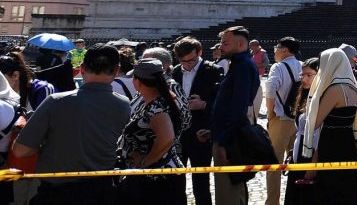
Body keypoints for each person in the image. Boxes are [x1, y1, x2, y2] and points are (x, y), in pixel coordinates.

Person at [11, 43, 130, 205]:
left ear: (82, 68)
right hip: (101, 191)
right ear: (116, 71)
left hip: (57, 193)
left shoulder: (57, 101)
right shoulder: (123, 104)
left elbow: (21, 150)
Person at [116, 59, 190, 202]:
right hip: (154, 178)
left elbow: (166, 138)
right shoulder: (156, 101)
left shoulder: (156, 107)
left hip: (156, 180)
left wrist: (145, 162)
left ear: (137, 82)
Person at [298, 49, 357, 204]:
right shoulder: (352, 87)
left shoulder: (335, 89)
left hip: (332, 144)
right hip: (347, 142)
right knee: (347, 188)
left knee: (330, 190)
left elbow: (315, 121)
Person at [211, 26, 260, 205]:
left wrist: (225, 142)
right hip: (226, 132)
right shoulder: (239, 64)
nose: (221, 47)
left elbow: (238, 108)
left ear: (240, 44)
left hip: (230, 137)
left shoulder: (242, 67)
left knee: (228, 194)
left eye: (225, 43)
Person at [172, 37, 224, 205]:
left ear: (200, 53)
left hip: (201, 133)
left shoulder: (213, 70)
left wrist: (204, 104)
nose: (187, 65)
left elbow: (223, 103)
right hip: (179, 134)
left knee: (200, 182)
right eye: (183, 61)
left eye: (191, 60)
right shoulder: (176, 71)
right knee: (176, 181)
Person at [265, 37, 302, 205]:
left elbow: (270, 89)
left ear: (285, 50)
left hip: (280, 119)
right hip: (299, 121)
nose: (274, 50)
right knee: (298, 162)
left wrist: (270, 113)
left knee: (274, 164)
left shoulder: (278, 67)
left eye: (277, 47)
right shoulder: (303, 65)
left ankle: (273, 202)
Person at [283, 58, 319, 205]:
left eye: (309, 75)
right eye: (302, 75)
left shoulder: (321, 99)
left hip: (311, 156)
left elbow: (320, 136)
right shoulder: (304, 95)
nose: (304, 79)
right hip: (299, 155)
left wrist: (313, 164)